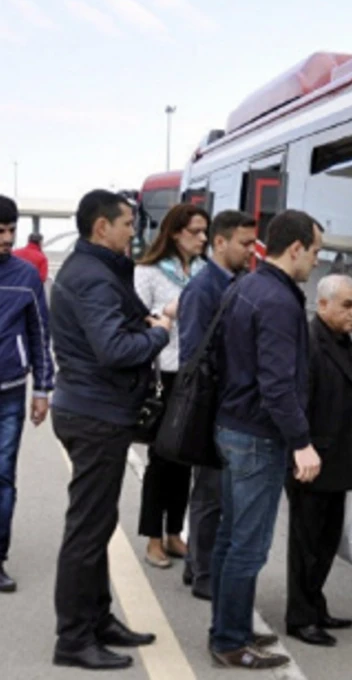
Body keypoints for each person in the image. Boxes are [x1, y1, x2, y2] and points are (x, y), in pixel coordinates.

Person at [49, 190, 171, 671]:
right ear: (102, 227)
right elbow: (116, 349)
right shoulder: (93, 278)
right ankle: (73, 638)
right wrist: (160, 330)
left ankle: (97, 620)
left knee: (95, 524)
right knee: (87, 529)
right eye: (126, 224)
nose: (132, 233)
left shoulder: (94, 271)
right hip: (95, 413)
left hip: (94, 409)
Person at [209, 210, 324, 670]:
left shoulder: (245, 285)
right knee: (249, 546)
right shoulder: (278, 301)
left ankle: (228, 623)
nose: (317, 261)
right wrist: (302, 442)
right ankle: (230, 640)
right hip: (258, 436)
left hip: (233, 425)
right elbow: (277, 383)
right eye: (315, 251)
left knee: (228, 538)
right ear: (295, 248)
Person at [286, 275, 352, 647]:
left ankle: (315, 605)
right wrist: (301, 450)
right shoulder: (311, 344)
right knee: (307, 546)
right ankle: (300, 617)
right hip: (315, 463)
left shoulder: (342, 342)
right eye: (347, 305)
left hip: (338, 464)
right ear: (322, 305)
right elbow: (299, 404)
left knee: (324, 544)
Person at [178, 211, 258, 601]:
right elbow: (192, 353)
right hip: (211, 404)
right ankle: (203, 571)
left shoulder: (242, 283)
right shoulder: (201, 289)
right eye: (244, 243)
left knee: (221, 493)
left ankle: (199, 564)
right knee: (209, 492)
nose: (250, 250)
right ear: (220, 243)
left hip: (232, 404)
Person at [134, 203, 210, 571]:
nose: (202, 238)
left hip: (194, 373)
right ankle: (152, 537)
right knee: (161, 460)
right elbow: (136, 317)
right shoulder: (147, 272)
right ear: (176, 232)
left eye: (205, 231)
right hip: (162, 372)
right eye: (195, 231)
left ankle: (175, 532)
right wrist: (168, 312)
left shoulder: (205, 271)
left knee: (185, 456)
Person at [0, 196, 54, 594]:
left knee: (3, 478)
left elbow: (40, 334)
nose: (5, 237)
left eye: (10, 230)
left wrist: (44, 389)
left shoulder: (26, 276)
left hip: (11, 395)